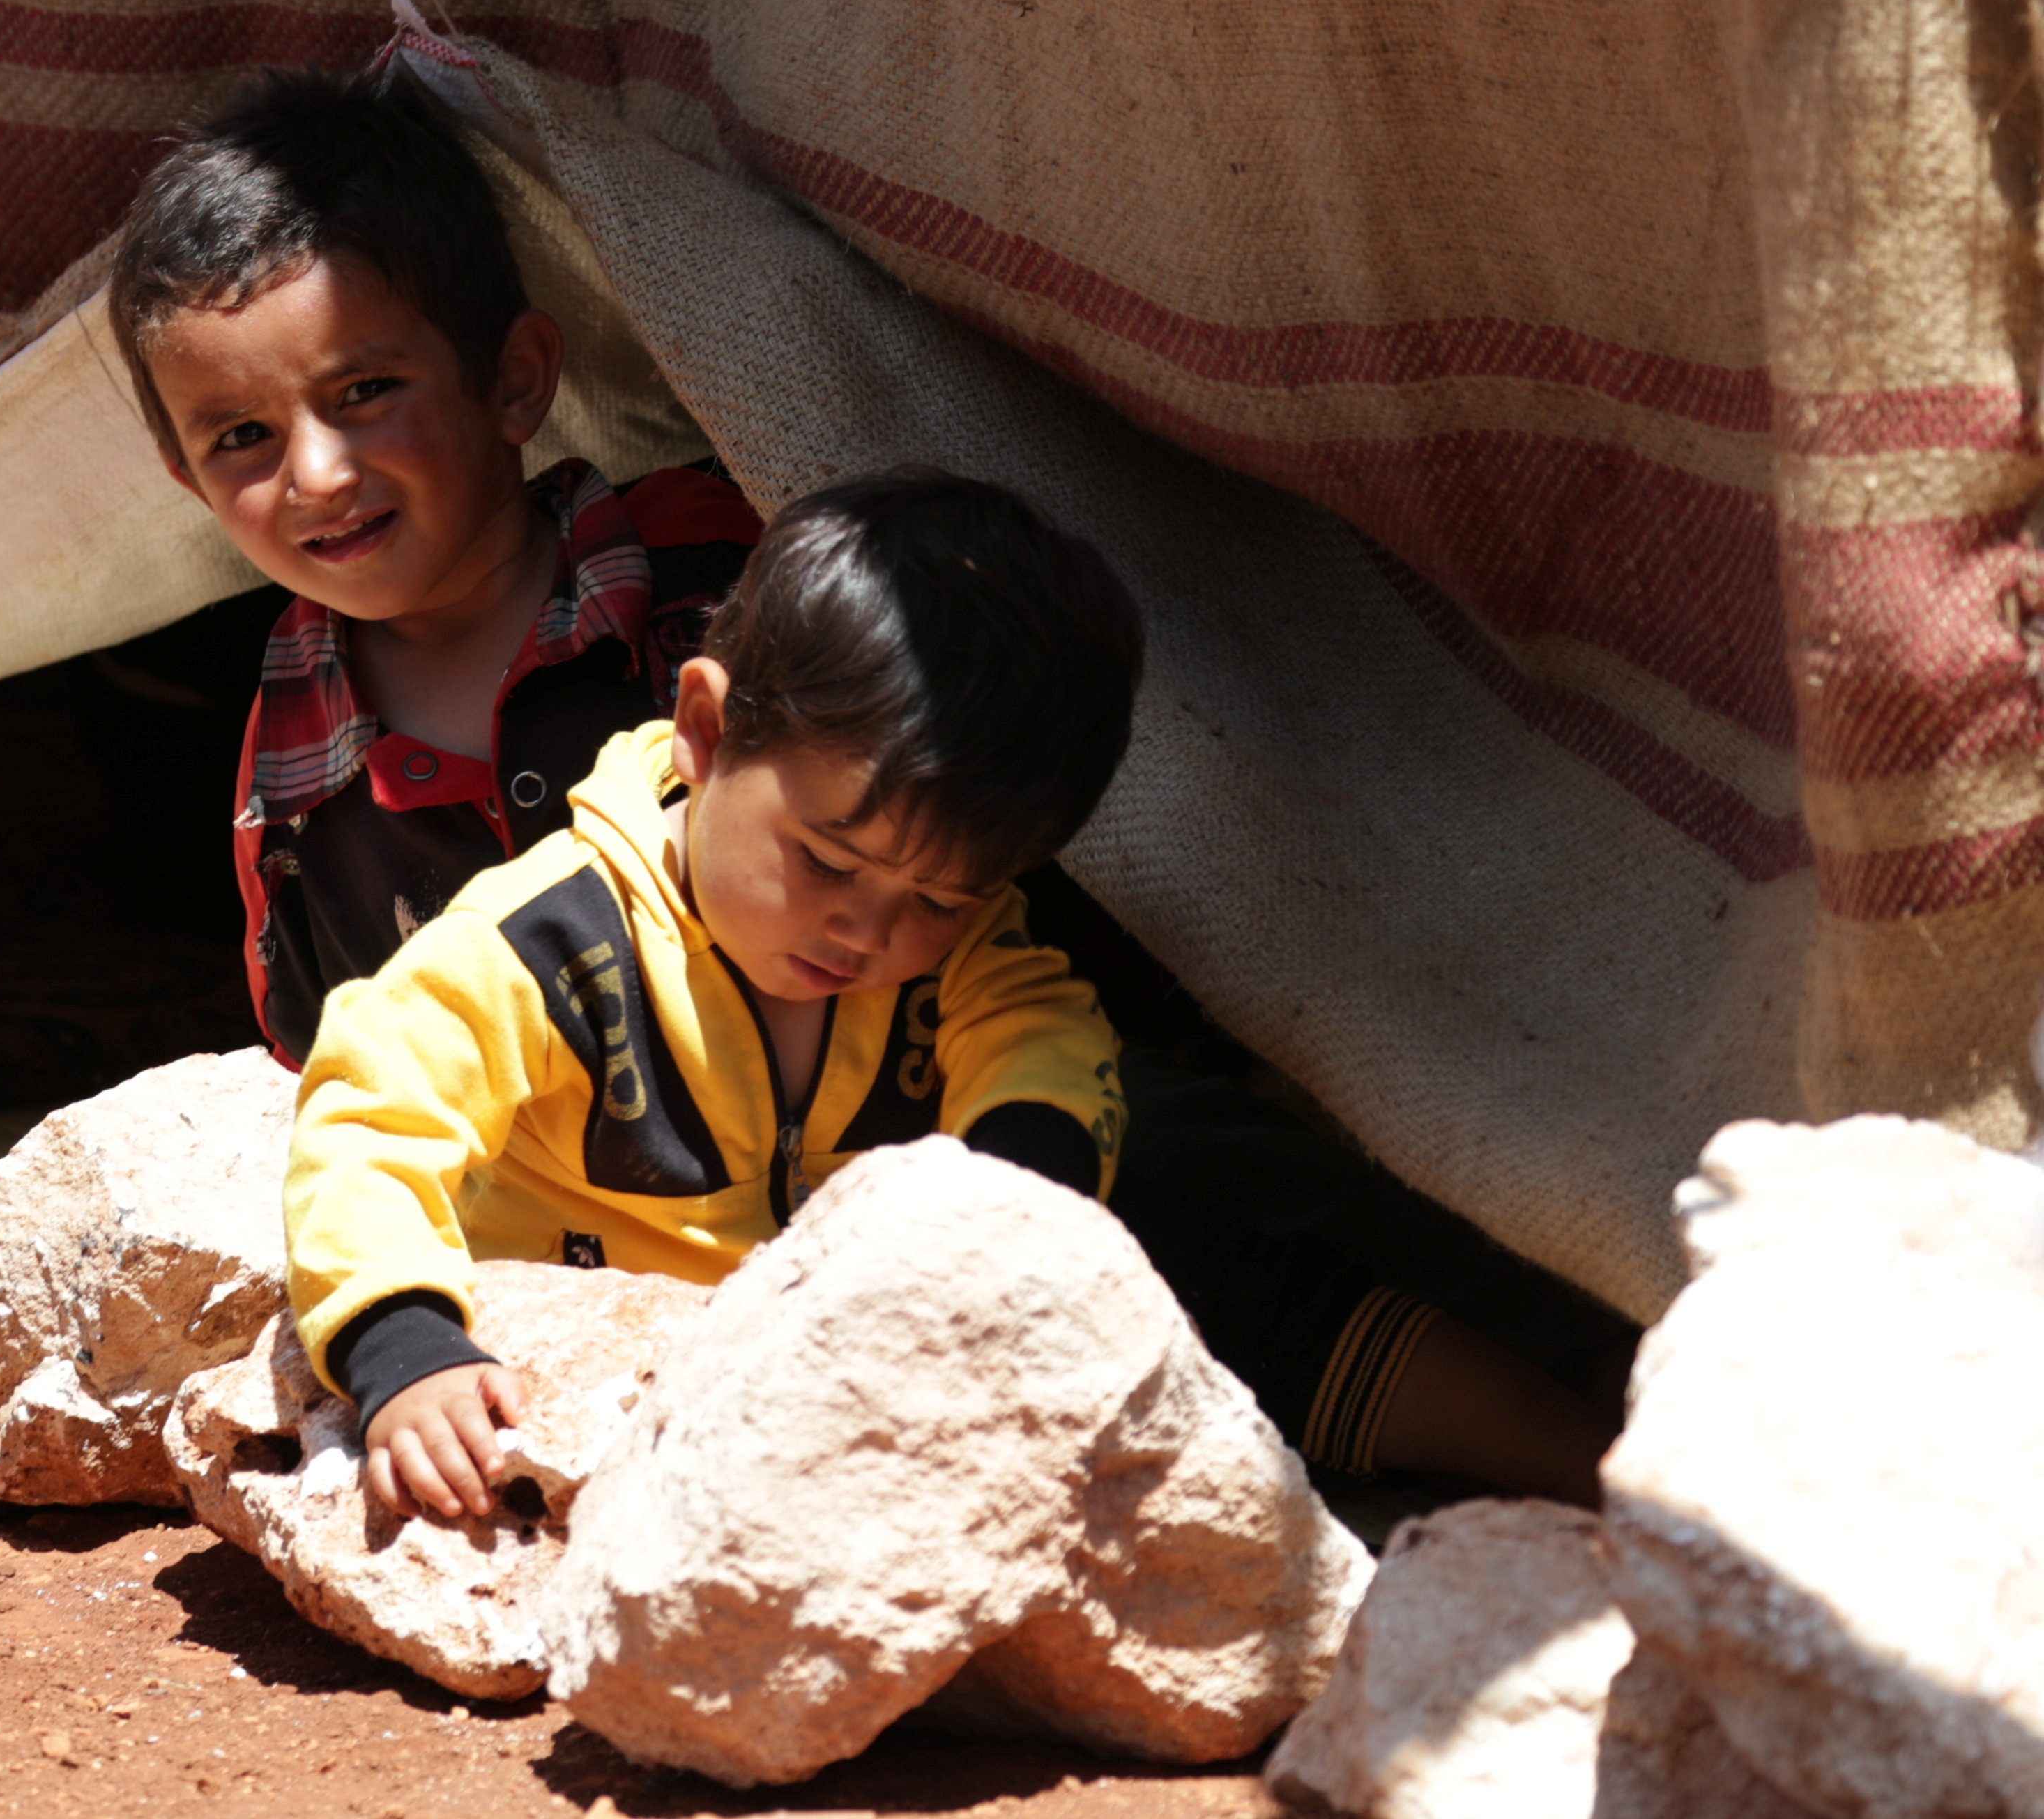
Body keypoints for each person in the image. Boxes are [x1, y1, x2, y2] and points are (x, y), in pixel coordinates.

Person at [282, 472, 1622, 1521]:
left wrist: (1010, 1202)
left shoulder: (964, 951)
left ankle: (1601, 1457)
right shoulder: (547, 941)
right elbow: (369, 1111)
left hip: (880, 1370)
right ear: (703, 727)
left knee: (1210, 1261)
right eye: (829, 861)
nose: (869, 929)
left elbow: (1040, 1033)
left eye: (939, 897)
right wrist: (408, 1346)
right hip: (632, 1371)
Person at [107, 65, 759, 1069]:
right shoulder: (292, 771)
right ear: (192, 485)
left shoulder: (713, 579)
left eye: (365, 389)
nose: (316, 477)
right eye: (241, 435)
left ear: (513, 381)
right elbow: (322, 1074)